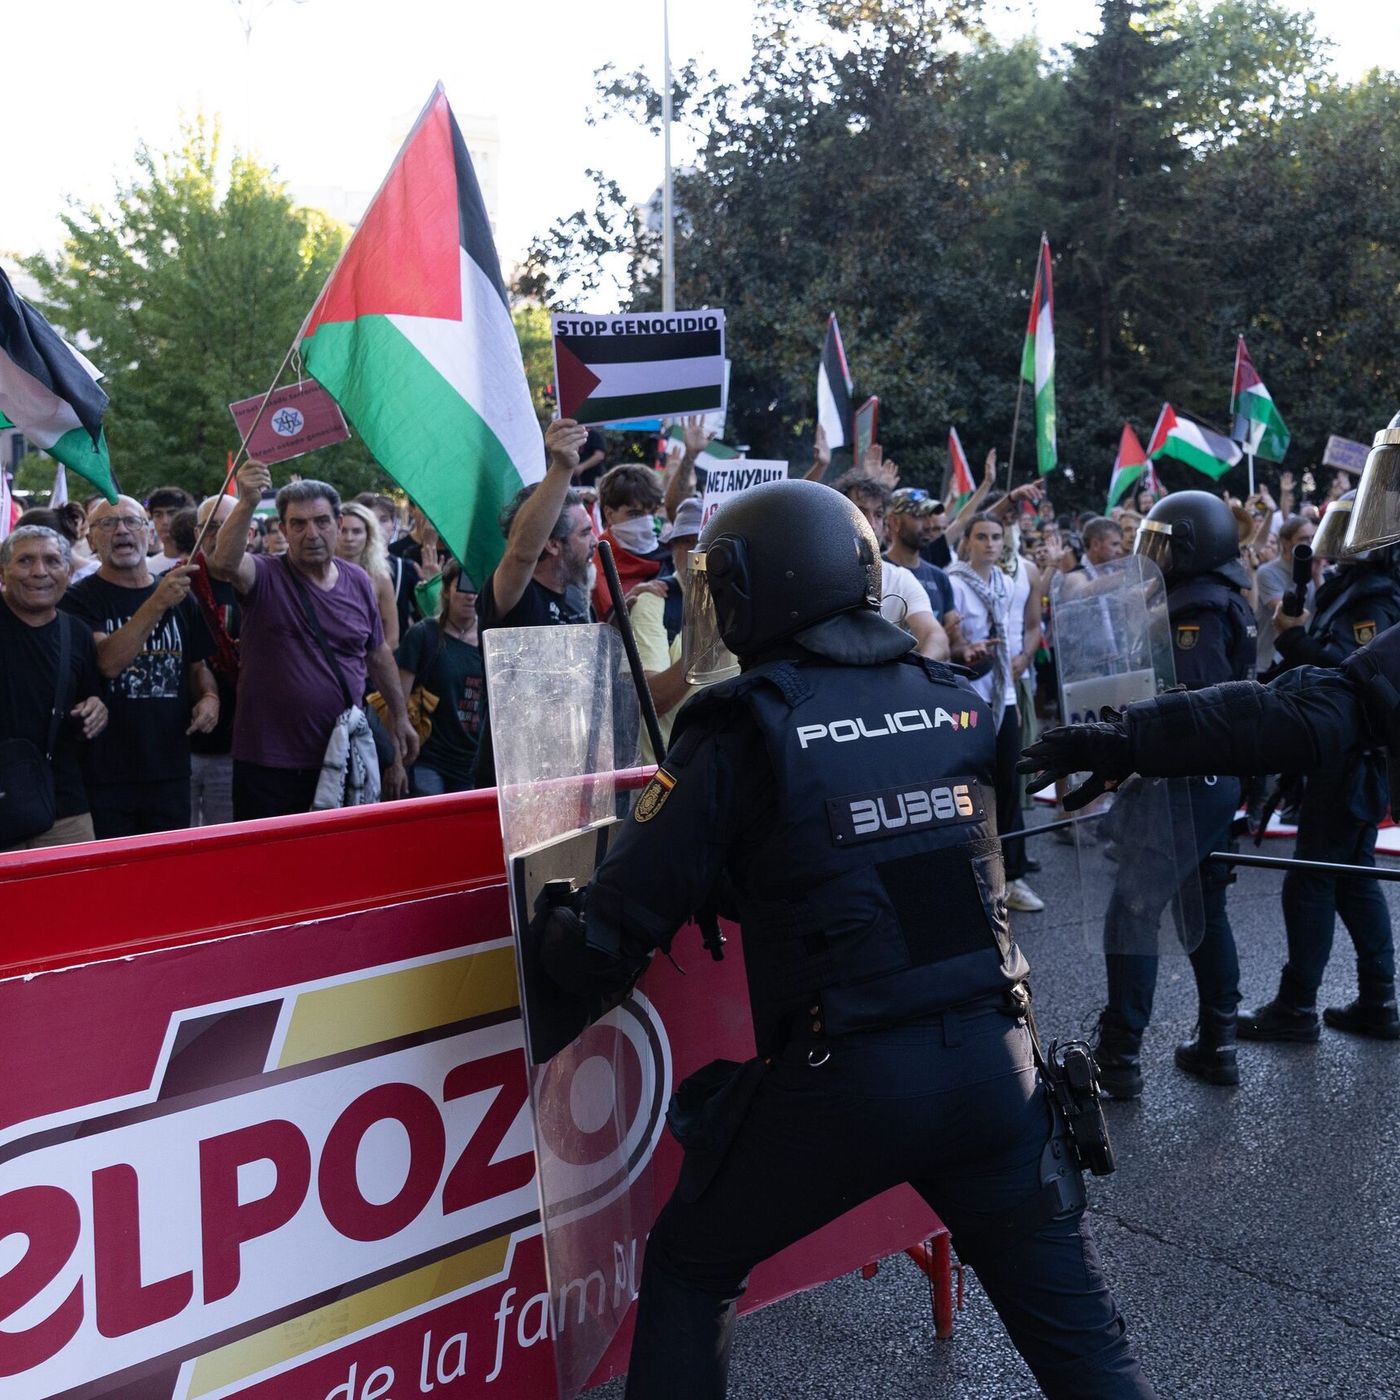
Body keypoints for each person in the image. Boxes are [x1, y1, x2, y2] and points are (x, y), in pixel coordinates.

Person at [533, 479, 1155, 1400]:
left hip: (845, 1083)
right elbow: (901, 860)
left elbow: (615, 926)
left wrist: (551, 940)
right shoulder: (957, 701)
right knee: (1086, 1356)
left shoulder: (740, 729)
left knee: (691, 1265)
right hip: (998, 1069)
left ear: (754, 588)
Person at [1058, 492, 1257, 1095]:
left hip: (1183, 788)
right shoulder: (1221, 601)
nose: (1153, 556)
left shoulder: (1195, 611)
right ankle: (1218, 1041)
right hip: (1213, 787)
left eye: (1164, 543)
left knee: (1132, 912)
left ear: (1194, 545)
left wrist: (1125, 752)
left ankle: (1118, 1057)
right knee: (1204, 910)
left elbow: (1189, 713)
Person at [1235, 525, 1400, 1043]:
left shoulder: (1374, 595)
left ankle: (1297, 1006)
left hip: (1348, 761)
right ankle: (1379, 1000)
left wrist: (1296, 638)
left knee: (1311, 880)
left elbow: (1357, 682)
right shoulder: (1361, 585)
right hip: (1352, 759)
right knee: (1353, 877)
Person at [209, 463, 417, 819]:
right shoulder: (264, 574)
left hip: (342, 755)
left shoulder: (358, 581)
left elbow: (378, 652)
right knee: (270, 867)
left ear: (337, 524)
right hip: (269, 762)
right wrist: (246, 502)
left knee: (339, 865)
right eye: (298, 524)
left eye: (321, 521)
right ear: (284, 530)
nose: (312, 533)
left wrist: (400, 716)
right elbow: (225, 564)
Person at [61, 496, 218, 839]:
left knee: (169, 875)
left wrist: (208, 697)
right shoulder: (78, 600)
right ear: (90, 540)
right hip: (105, 775)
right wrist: (157, 602)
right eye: (107, 524)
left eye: (132, 522)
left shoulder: (181, 597)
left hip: (170, 769)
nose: (121, 531)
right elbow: (108, 662)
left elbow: (197, 666)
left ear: (150, 534)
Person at [471, 418, 597, 787]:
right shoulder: (512, 594)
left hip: (567, 772)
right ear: (552, 543)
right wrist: (562, 467)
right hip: (515, 781)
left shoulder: (576, 598)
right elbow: (522, 553)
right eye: (585, 533)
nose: (595, 542)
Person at [946, 513, 1044, 912]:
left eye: (996, 537)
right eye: (982, 537)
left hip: (1003, 698)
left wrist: (1019, 657)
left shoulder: (1009, 584)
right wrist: (965, 647)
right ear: (967, 541)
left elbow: (1027, 629)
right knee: (966, 791)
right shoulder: (952, 583)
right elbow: (947, 641)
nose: (989, 544)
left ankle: (1013, 877)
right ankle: (967, 876)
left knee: (1008, 787)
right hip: (965, 700)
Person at [0, 526, 108, 852]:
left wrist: (96, 708)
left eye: (52, 561)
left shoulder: (76, 632)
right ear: (3, 570)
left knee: (77, 900)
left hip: (63, 808)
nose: (39, 571)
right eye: (25, 561)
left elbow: (89, 696)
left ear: (69, 571)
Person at [833, 473, 949, 660]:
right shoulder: (815, 573)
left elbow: (935, 637)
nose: (870, 523)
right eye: (860, 512)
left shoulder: (900, 579)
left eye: (878, 514)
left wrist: (915, 679)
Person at [396, 560, 485, 796]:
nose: (471, 596)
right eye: (463, 587)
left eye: (477, 588)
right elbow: (396, 704)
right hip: (428, 759)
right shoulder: (423, 635)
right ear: (446, 590)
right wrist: (396, 763)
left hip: (470, 765)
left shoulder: (489, 640)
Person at [884, 487, 966, 656]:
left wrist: (964, 648)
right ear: (894, 522)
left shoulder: (940, 577)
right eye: (919, 517)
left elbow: (954, 646)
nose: (929, 525)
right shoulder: (876, 571)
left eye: (929, 516)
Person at [591, 462, 668, 621]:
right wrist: (628, 601)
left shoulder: (669, 555)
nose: (646, 522)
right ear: (609, 514)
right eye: (635, 514)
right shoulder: (592, 561)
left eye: (652, 513)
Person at [1254, 514, 1317, 673]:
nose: (1310, 544)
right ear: (1285, 543)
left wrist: (1317, 574)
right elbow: (1287, 615)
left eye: (1313, 538)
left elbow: (1324, 609)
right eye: (1304, 539)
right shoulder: (1267, 572)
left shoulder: (1314, 571)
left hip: (1301, 660)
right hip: (1270, 661)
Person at [336, 500, 400, 649]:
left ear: (368, 535)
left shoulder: (381, 578)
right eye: (343, 530)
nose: (349, 538)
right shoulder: (318, 572)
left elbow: (392, 637)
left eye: (357, 531)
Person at [145, 486, 195, 575]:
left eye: (172, 513)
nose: (165, 521)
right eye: (158, 515)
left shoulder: (201, 562)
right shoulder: (146, 568)